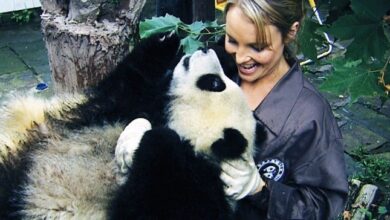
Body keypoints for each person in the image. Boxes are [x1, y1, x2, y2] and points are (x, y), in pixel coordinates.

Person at [219, 0, 349, 219]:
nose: (240, 57)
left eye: (257, 47)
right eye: (232, 40)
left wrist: (261, 190)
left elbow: (324, 205)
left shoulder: (310, 116)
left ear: (291, 31)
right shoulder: (219, 68)